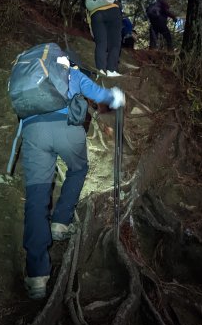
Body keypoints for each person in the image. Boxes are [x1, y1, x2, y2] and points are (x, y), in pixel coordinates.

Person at [21, 54, 125, 300]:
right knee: (77, 170)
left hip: (34, 131)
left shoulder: (33, 79)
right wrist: (118, 96)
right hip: (67, 129)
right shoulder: (72, 73)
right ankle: (60, 222)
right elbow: (102, 96)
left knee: (37, 195)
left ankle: (37, 276)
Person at [85, 0, 139, 77]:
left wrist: (90, 25)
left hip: (95, 14)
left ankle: (100, 70)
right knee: (114, 43)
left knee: (101, 43)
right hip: (112, 12)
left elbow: (87, 8)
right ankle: (111, 70)